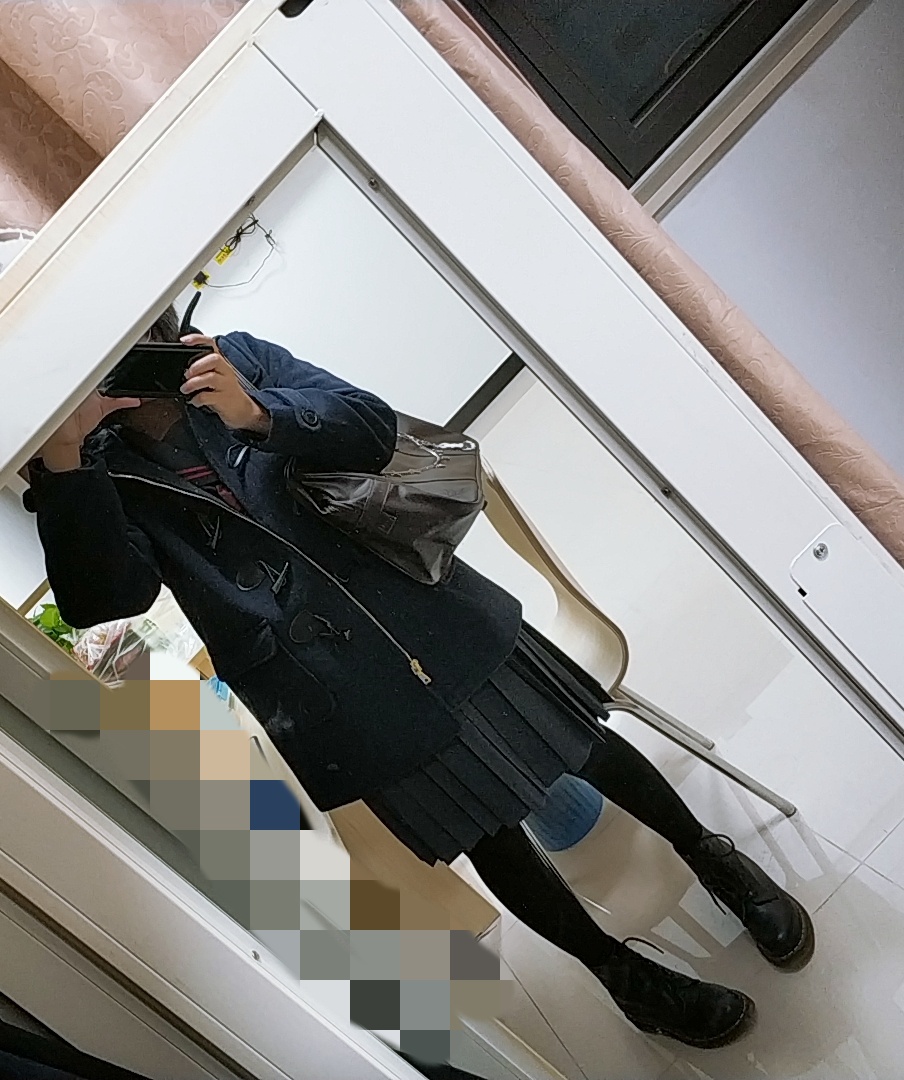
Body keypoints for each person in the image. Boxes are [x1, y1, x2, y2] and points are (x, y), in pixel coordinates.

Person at [27, 307, 814, 1052]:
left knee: (581, 744)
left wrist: (260, 413)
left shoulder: (238, 357)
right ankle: (621, 974)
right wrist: (66, 462)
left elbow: (371, 426)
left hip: (424, 610)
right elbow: (108, 598)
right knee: (486, 834)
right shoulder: (84, 460)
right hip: (322, 684)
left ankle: (712, 856)